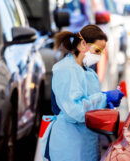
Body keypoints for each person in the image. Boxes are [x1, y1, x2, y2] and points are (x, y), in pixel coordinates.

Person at [47, 24, 124, 161]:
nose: (99, 56)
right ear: (83, 44)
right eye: (97, 50)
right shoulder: (66, 70)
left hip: (84, 144)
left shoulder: (88, 72)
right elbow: (75, 111)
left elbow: (89, 103)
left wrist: (105, 106)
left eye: (101, 52)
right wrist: (104, 98)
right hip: (69, 147)